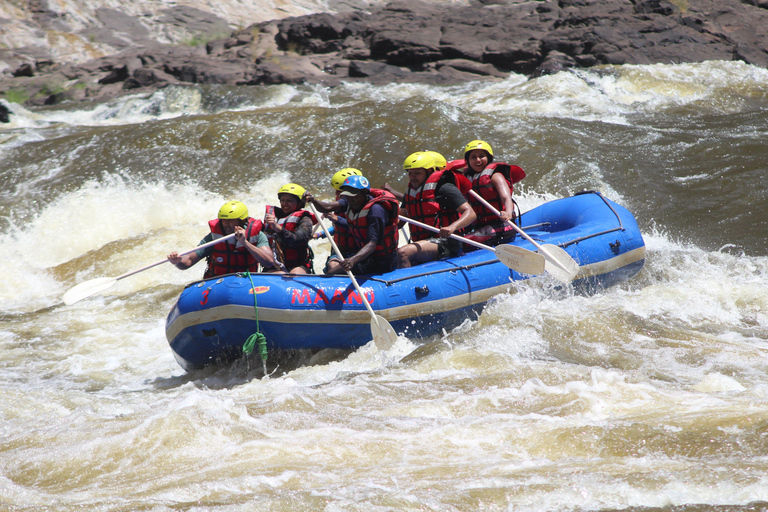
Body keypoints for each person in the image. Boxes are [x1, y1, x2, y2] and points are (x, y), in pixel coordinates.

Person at [396, 151, 476, 268]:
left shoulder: (445, 188)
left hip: (447, 242)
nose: (412, 177)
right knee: (394, 257)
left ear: (429, 171)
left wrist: (452, 227)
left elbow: (470, 213)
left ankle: (405, 284)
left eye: (417, 173)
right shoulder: (410, 192)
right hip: (423, 243)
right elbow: (400, 221)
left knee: (403, 253)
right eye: (410, 173)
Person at [306, 175, 400, 275]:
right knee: (331, 273)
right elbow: (327, 207)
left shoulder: (376, 211)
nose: (350, 199)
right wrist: (313, 200)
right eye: (347, 195)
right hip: (367, 257)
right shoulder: (350, 201)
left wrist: (353, 260)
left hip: (383, 260)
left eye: (354, 195)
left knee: (335, 273)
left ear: (364, 192)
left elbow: (373, 243)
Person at [167, 200, 274, 278]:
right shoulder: (214, 237)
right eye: (223, 220)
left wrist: (245, 243)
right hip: (219, 282)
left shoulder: (258, 235)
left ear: (242, 221)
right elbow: (188, 261)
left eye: (231, 221)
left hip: (246, 281)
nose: (226, 224)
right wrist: (178, 261)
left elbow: (269, 262)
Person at [460, 140, 526, 247]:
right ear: (468, 160)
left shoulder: (495, 176)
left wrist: (508, 213)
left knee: (465, 242)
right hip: (480, 225)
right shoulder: (467, 179)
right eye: (473, 157)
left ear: (489, 158)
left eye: (482, 156)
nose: (478, 160)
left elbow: (506, 198)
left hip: (503, 224)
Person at [264, 183, 317, 274]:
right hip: (275, 265)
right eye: (282, 200)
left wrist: (279, 229)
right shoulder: (272, 216)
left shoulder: (305, 219)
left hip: (297, 264)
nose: (285, 204)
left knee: (295, 274)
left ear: (299, 203)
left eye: (289, 201)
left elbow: (298, 240)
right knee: (280, 275)